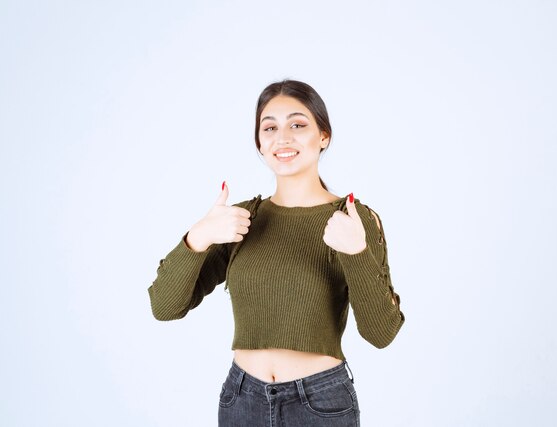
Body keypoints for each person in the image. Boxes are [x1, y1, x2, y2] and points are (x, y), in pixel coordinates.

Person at [148, 79, 405, 426]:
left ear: (323, 136)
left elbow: (381, 334)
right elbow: (164, 307)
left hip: (320, 404)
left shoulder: (353, 221)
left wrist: (357, 252)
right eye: (270, 128)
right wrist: (198, 238)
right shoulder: (242, 219)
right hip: (241, 400)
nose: (282, 138)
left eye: (298, 125)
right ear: (259, 142)